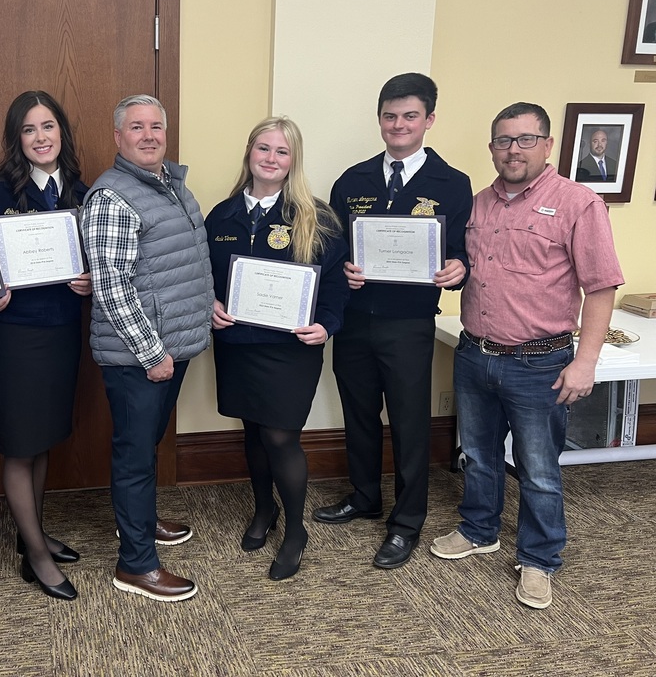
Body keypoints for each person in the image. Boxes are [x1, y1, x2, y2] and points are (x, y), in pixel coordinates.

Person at [430, 102, 623, 610]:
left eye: (525, 139)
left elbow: (601, 287)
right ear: (492, 147)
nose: (513, 150)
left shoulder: (579, 203)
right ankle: (479, 530)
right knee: (479, 455)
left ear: (547, 145)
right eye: (503, 141)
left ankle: (539, 558)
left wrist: (586, 361)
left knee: (538, 469)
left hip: (540, 363)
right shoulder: (478, 204)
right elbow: (463, 264)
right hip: (475, 353)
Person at [312, 73, 472, 570]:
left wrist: (459, 268)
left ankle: (406, 521)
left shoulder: (452, 184)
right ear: (379, 119)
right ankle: (365, 497)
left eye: (409, 116)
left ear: (429, 119)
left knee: (408, 423)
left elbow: (463, 251)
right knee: (359, 414)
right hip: (355, 321)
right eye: (389, 116)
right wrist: (342, 268)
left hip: (409, 324)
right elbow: (333, 249)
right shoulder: (353, 180)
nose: (398, 125)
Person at [80, 94, 214, 602]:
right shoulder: (112, 197)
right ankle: (136, 564)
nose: (149, 135)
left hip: (172, 345)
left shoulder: (171, 185)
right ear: (118, 137)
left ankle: (139, 521)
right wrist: (151, 352)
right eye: (136, 127)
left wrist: (206, 307)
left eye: (156, 126)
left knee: (147, 442)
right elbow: (112, 286)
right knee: (135, 454)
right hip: (139, 355)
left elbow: (185, 262)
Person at [206, 117, 348, 581]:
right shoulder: (221, 216)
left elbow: (335, 285)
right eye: (263, 148)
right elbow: (204, 276)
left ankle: (295, 531)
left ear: (293, 161)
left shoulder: (316, 217)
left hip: (290, 351)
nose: (271, 158)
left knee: (281, 437)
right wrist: (210, 304)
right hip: (238, 344)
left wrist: (326, 325)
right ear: (249, 153)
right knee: (252, 430)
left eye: (282, 151)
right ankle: (264, 510)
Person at [0, 90, 92, 601]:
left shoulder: (82, 189)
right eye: (29, 129)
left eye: (48, 126)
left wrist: (90, 278)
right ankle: (37, 556)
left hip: (64, 332)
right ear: (16, 139)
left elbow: (98, 253)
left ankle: (32, 535)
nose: (40, 138)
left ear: (61, 132)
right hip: (17, 337)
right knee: (22, 445)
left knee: (43, 439)